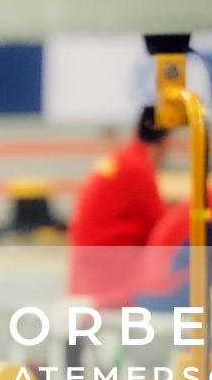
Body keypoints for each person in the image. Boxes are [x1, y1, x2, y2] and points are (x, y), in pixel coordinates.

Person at [67, 110, 169, 308]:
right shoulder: (137, 168)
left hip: (87, 263)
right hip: (107, 266)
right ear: (166, 141)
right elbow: (160, 227)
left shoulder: (123, 159)